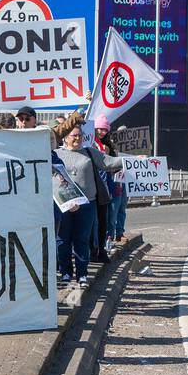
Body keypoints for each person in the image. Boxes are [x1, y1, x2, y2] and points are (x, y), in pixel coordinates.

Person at [54, 120, 122, 287]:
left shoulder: (90, 152)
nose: (78, 138)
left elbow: (110, 163)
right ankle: (65, 273)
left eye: (80, 135)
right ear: (65, 138)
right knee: (62, 240)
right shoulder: (55, 154)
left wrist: (135, 160)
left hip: (86, 204)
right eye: (74, 136)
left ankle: (82, 274)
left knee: (82, 239)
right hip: (64, 204)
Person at [93, 120, 128, 250]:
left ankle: (110, 238)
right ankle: (100, 243)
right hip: (98, 184)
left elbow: (112, 163)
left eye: (105, 130)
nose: (102, 132)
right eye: (100, 129)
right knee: (101, 218)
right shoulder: (91, 144)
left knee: (115, 212)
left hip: (112, 182)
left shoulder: (110, 145)